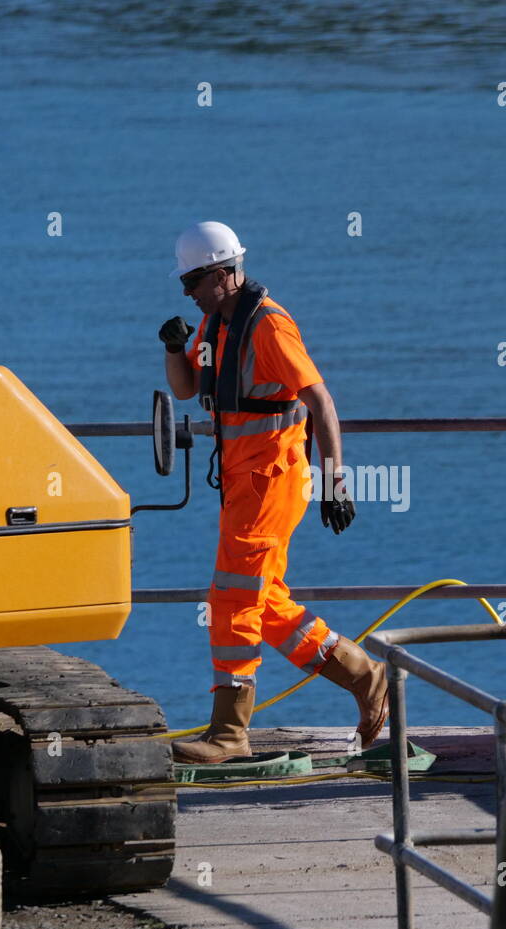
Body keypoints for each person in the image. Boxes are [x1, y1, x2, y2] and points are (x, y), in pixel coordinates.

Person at [158, 221, 389, 764]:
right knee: (265, 602)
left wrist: (336, 482)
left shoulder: (268, 327)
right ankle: (364, 675)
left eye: (192, 281)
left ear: (223, 274)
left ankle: (230, 732)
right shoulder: (214, 326)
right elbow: (187, 387)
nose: (187, 292)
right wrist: (173, 348)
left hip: (271, 483)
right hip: (242, 485)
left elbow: (322, 404)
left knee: (233, 598)